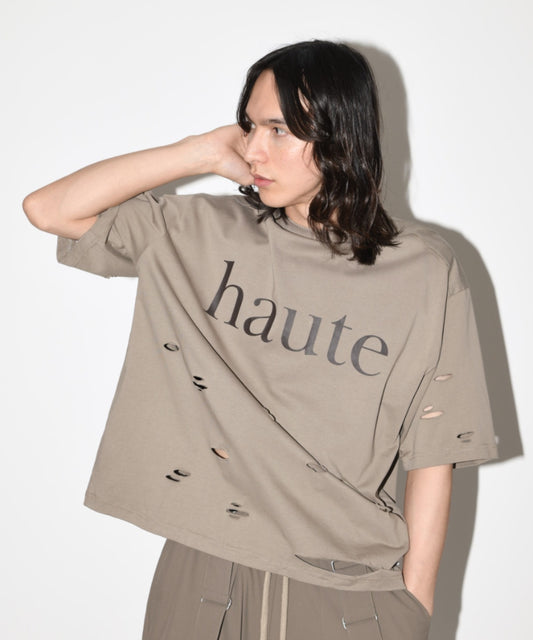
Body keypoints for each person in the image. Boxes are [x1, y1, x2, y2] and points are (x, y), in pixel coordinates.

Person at [23, 40, 498, 640]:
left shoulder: (423, 269)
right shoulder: (202, 232)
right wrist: (197, 151)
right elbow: (49, 209)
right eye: (249, 125)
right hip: (204, 576)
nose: (253, 149)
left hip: (348, 590)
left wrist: (415, 605)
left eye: (279, 130)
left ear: (341, 135)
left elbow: (434, 449)